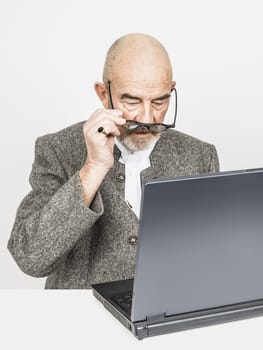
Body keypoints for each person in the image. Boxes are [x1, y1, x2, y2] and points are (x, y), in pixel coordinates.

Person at [8, 33, 219, 289]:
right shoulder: (57, 150)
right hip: (78, 318)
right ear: (103, 94)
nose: (147, 117)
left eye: (160, 101)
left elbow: (210, 260)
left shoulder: (199, 157)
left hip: (163, 318)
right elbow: (31, 258)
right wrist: (92, 169)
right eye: (131, 101)